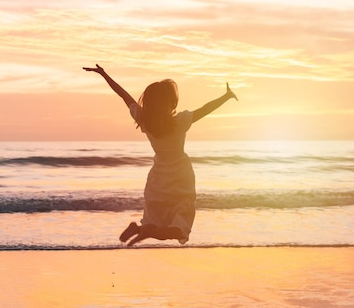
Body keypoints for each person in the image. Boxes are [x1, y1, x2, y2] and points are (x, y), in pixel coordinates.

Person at [83, 64, 238, 246]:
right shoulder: (179, 122)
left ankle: (142, 229)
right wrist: (226, 97)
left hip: (158, 176)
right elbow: (206, 109)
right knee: (179, 228)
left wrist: (104, 74)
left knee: (157, 222)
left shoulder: (144, 120)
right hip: (181, 175)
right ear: (170, 102)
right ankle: (143, 230)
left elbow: (124, 95)